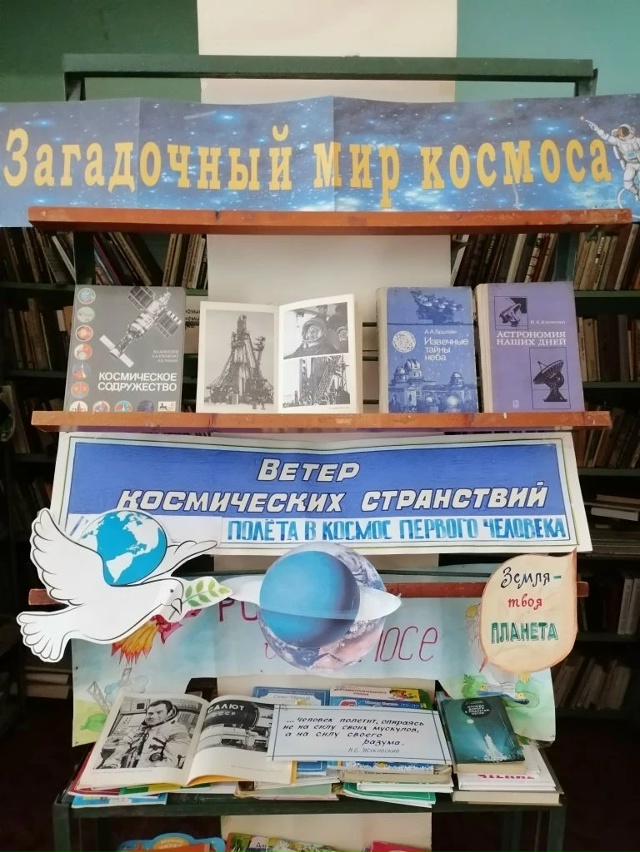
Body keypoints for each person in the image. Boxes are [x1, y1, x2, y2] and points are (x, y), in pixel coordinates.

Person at [101, 699, 191, 769]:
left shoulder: (177, 730)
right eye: (150, 713)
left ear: (170, 713)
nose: (153, 716)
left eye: (159, 712)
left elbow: (171, 762)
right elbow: (125, 743)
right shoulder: (141, 729)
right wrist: (112, 762)